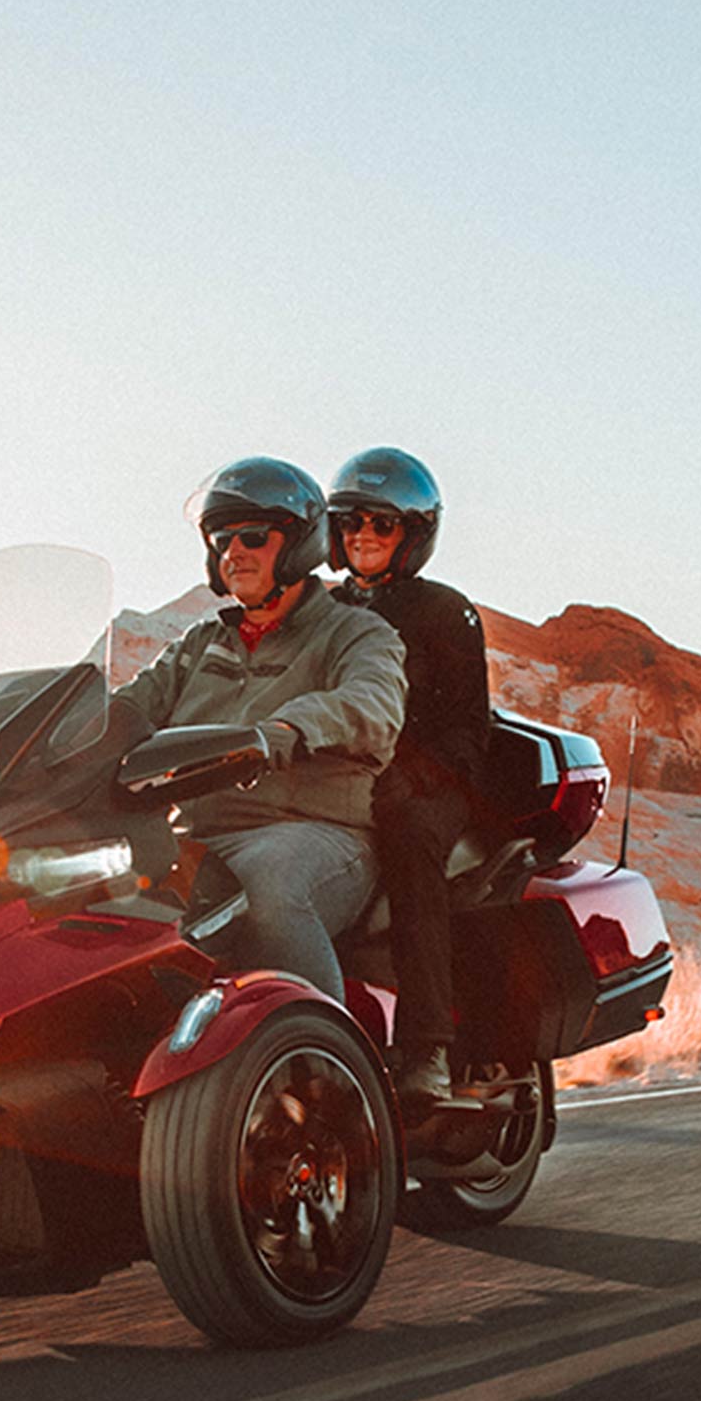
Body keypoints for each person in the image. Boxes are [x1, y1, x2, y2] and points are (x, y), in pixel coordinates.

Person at [111, 457, 410, 1004]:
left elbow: (373, 704)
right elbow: (129, 709)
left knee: (271, 885)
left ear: (300, 545)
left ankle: (326, 1056)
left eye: (253, 536)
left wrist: (286, 730)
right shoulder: (202, 645)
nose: (234, 552)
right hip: (193, 835)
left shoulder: (356, 632)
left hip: (313, 833)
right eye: (222, 539)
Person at [328, 447, 492, 1106]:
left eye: (382, 523)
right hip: (340, 775)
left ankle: (426, 1049)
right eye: (350, 522)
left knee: (408, 838)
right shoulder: (320, 610)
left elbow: (468, 732)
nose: (363, 534)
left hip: (429, 788)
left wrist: (410, 776)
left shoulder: (445, 612)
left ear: (414, 535)